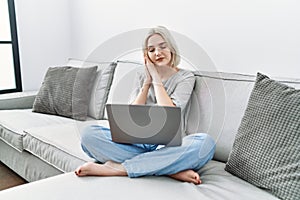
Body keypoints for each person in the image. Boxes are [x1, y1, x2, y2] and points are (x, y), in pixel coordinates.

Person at [75, 26, 215, 185]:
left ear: (172, 48)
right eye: (151, 49)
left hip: (169, 146)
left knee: (205, 144)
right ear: (146, 55)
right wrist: (146, 84)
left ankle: (119, 168)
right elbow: (132, 114)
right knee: (88, 134)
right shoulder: (142, 75)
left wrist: (156, 78)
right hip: (137, 142)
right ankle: (169, 169)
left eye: (163, 46)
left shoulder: (185, 77)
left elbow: (169, 112)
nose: (157, 53)